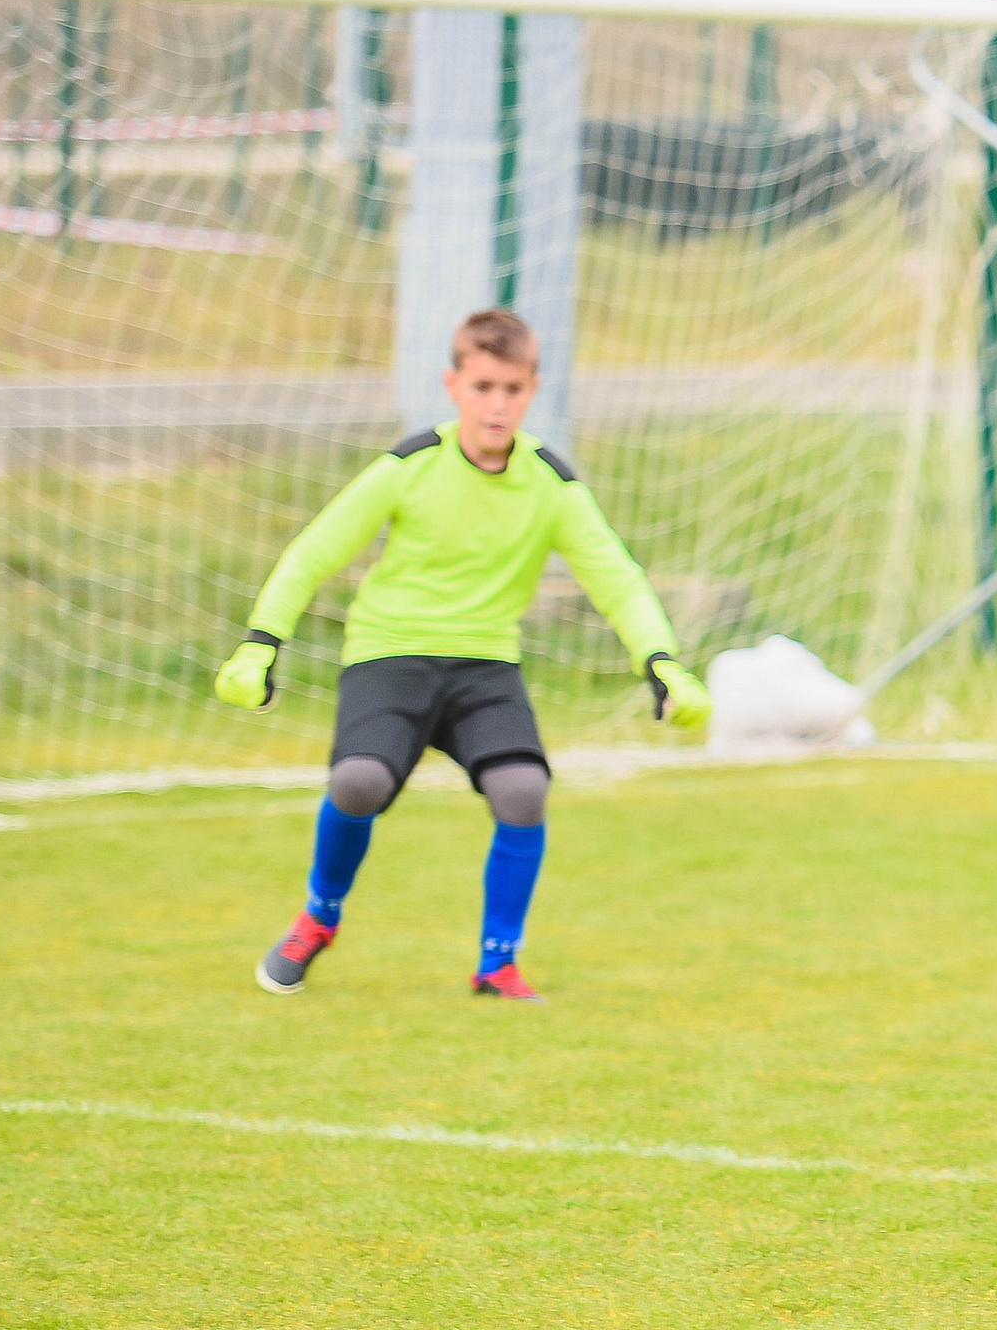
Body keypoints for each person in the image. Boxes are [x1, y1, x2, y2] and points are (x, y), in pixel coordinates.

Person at [212, 308, 712, 1001]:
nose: (497, 404)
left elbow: (616, 578)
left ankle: (497, 964)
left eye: (512, 388)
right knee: (358, 783)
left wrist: (661, 661)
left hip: (484, 664)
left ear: (533, 390)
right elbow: (314, 552)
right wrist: (261, 642)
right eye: (482, 387)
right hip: (389, 653)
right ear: (453, 386)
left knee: (523, 792)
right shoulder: (410, 464)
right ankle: (319, 917)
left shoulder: (551, 482)